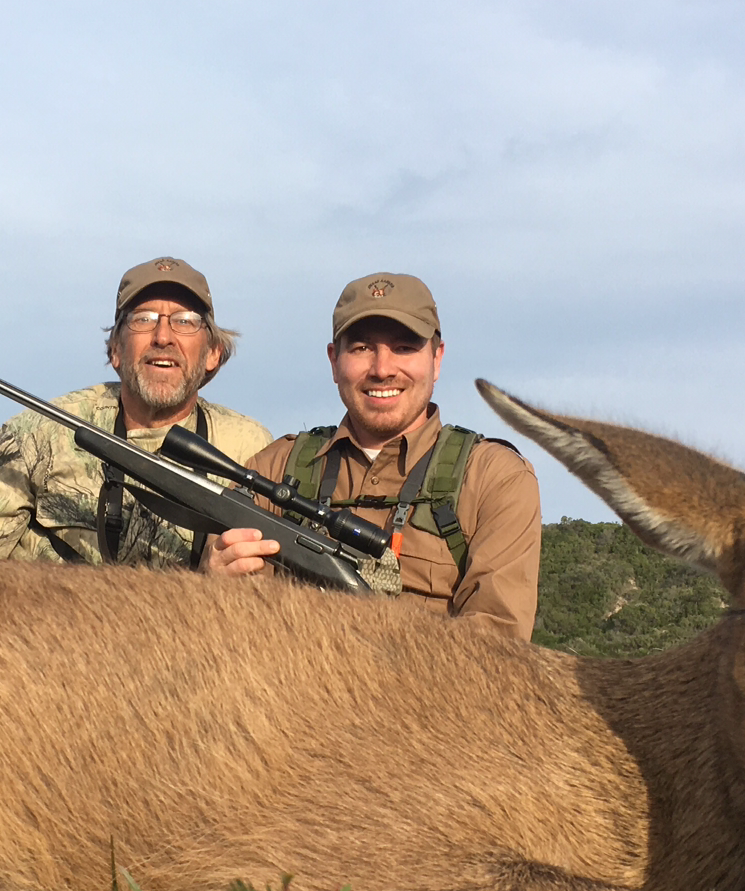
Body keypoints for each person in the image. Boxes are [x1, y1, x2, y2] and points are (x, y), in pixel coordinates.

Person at [203, 272, 541, 634]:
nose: (382, 369)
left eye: (404, 347)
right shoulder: (275, 467)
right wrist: (211, 583)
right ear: (334, 362)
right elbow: (229, 627)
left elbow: (497, 646)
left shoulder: (495, 478)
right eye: (361, 348)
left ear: (437, 358)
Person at [0, 257, 272, 568]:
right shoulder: (40, 432)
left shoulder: (253, 451)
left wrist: (215, 588)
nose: (162, 336)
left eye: (185, 321)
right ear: (115, 349)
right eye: (143, 319)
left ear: (213, 352)